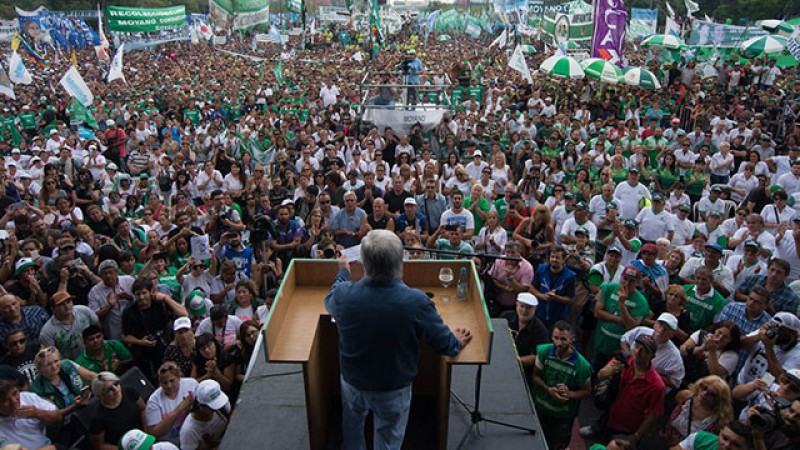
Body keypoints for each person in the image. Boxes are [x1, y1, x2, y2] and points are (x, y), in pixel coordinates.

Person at [324, 230, 472, 450]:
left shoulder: (343, 295)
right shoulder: (416, 302)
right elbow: (445, 345)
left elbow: (331, 296)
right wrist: (456, 341)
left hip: (353, 382)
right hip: (392, 388)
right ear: (400, 262)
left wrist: (343, 273)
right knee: (388, 438)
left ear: (364, 264)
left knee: (352, 427)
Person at [582, 335, 665, 445]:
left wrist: (636, 436)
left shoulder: (657, 385)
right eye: (636, 347)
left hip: (628, 428)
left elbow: (653, 415)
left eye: (644, 350)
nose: (638, 352)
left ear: (652, 356)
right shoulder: (623, 359)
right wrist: (608, 371)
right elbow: (600, 375)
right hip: (609, 415)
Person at [531, 320, 592, 450]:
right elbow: (535, 376)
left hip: (563, 416)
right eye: (556, 338)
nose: (559, 343)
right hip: (540, 408)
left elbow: (587, 391)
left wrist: (569, 394)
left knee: (557, 445)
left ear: (572, 339)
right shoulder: (543, 352)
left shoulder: (582, 366)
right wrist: (548, 389)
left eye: (563, 339)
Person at [89, 371, 147, 449]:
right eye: (109, 389)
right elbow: (99, 446)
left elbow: (143, 408)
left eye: (116, 384)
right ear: (100, 394)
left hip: (142, 437)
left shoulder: (129, 391)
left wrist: (146, 432)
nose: (115, 389)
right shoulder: (97, 418)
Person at [146, 361, 198, 446]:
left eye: (172, 381)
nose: (169, 385)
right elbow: (154, 433)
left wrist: (190, 408)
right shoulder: (154, 401)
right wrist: (177, 410)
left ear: (178, 377)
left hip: (192, 435)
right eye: (165, 383)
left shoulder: (191, 384)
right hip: (170, 443)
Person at [0, 378, 62, 450]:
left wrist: (37, 413)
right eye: (6, 400)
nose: (14, 401)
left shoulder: (27, 397)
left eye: (15, 393)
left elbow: (58, 417)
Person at [38, 291, 99, 361]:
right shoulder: (47, 332)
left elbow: (97, 327)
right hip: (71, 366)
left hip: (94, 357)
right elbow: (51, 356)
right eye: (61, 304)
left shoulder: (84, 310)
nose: (66, 306)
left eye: (68, 302)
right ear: (53, 309)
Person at [501, 293, 549, 380]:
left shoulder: (540, 330)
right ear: (516, 304)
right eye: (521, 306)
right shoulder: (505, 318)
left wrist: (514, 361)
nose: (524, 310)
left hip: (523, 374)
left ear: (535, 309)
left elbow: (538, 357)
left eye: (528, 308)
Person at [529, 246, 577, 330]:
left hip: (558, 317)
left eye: (558, 257)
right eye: (552, 257)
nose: (554, 260)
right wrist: (542, 296)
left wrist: (555, 298)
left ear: (563, 260)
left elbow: (570, 299)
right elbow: (532, 288)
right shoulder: (541, 270)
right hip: (540, 313)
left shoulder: (570, 276)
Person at [180, 379, 230, 450]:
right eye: (212, 407)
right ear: (200, 405)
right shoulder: (188, 431)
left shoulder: (223, 407)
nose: (216, 409)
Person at [671, 420, 756, 450]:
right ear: (720, 432)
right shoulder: (701, 438)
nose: (726, 445)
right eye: (725, 438)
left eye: (736, 445)